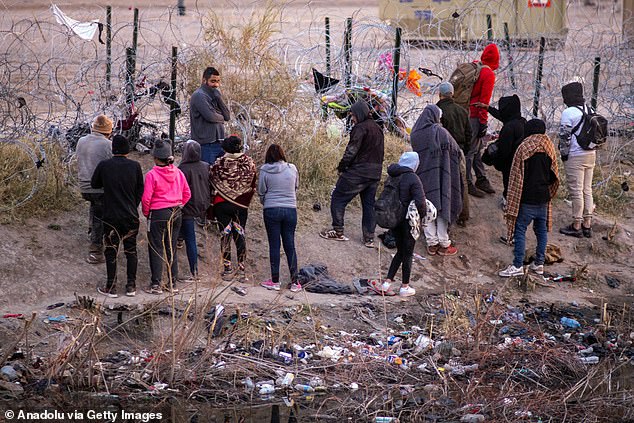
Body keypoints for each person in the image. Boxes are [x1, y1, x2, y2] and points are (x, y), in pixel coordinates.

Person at [319, 99, 384, 247]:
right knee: (369, 205)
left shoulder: (360, 129)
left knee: (338, 197)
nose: (352, 119)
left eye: (353, 115)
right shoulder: (377, 128)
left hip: (358, 172)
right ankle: (369, 238)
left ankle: (337, 230)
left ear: (359, 114)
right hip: (375, 173)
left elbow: (351, 151)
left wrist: (342, 167)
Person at [499, 119, 559, 277]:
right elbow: (554, 175)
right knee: (541, 231)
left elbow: (517, 177)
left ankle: (517, 265)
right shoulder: (549, 147)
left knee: (520, 230)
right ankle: (539, 263)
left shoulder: (524, 148)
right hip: (543, 198)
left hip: (527, 199)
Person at [91, 135, 144, 298]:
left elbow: (94, 184)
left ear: (113, 149)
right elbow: (140, 190)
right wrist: (132, 205)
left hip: (111, 216)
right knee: (131, 251)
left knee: (111, 251)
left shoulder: (105, 165)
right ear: (128, 150)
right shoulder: (135, 166)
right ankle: (131, 286)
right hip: (130, 216)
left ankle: (111, 286)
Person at [411, 104, 463, 256]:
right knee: (442, 208)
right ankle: (444, 242)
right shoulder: (441, 132)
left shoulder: (415, 133)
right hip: (442, 176)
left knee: (426, 207)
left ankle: (431, 243)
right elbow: (456, 152)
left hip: (423, 176)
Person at [141, 140, 191, 294]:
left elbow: (146, 198)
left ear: (156, 157)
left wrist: (147, 212)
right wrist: (179, 204)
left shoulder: (152, 174)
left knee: (156, 247)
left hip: (158, 213)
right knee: (172, 247)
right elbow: (187, 193)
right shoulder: (178, 172)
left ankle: (156, 284)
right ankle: (172, 283)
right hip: (176, 212)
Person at [209, 135, 256, 283]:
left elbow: (212, 179)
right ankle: (242, 271)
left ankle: (227, 269)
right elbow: (252, 182)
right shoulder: (248, 162)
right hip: (241, 204)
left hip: (221, 204)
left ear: (225, 148)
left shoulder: (219, 163)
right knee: (239, 234)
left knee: (225, 235)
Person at [380, 152, 426, 297]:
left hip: (394, 219)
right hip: (407, 221)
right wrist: (423, 216)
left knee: (400, 251)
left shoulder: (392, 174)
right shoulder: (413, 178)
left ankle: (386, 283)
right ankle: (404, 286)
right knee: (408, 253)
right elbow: (420, 202)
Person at [258, 144, 301, 293]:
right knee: (290, 245)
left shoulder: (264, 170)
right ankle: (295, 281)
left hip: (271, 209)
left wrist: (266, 201)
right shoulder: (292, 168)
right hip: (290, 209)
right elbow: (296, 186)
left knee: (274, 245)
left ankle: (275, 281)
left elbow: (261, 191)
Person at [558, 81, 596, 238]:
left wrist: (564, 155)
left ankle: (576, 225)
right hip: (591, 154)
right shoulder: (590, 110)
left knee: (576, 190)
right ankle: (587, 224)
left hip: (575, 156)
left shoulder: (568, 113)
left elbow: (564, 137)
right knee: (587, 189)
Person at [76, 115, 113, 264]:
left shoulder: (81, 141)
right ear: (108, 131)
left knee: (95, 206)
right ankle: (96, 250)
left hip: (84, 186)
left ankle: (92, 230)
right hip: (99, 188)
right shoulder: (107, 145)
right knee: (101, 214)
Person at [477, 95, 526, 202]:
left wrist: (497, 163)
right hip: (520, 159)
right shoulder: (521, 121)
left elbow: (504, 151)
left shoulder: (508, 128)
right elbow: (503, 116)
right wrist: (488, 108)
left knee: (508, 182)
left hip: (509, 162)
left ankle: (507, 202)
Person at [466, 43, 500, 197]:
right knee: (471, 151)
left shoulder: (474, 66)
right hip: (474, 116)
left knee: (476, 148)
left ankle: (481, 178)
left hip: (464, 112)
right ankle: (467, 182)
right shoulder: (488, 74)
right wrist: (483, 123)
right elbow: (483, 103)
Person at [436, 81, 471, 226]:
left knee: (442, 182)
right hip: (460, 150)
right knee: (461, 182)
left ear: (439, 94)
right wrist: (464, 150)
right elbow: (469, 133)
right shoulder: (462, 111)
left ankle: (443, 213)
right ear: (452, 94)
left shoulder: (437, 111)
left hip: (443, 152)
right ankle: (463, 215)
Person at [178, 140, 211, 280]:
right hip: (204, 204)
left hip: (188, 207)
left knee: (190, 239)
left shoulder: (182, 169)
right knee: (189, 236)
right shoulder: (205, 166)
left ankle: (194, 271)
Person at [190, 66, 231, 165]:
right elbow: (211, 117)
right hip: (206, 145)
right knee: (207, 175)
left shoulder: (215, 94)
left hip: (219, 142)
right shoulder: (199, 95)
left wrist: (219, 99)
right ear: (204, 80)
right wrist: (220, 117)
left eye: (218, 81)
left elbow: (227, 116)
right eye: (213, 81)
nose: (216, 84)